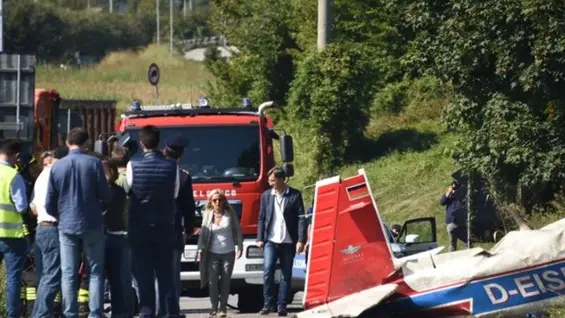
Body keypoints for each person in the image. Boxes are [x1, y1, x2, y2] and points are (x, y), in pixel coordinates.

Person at [45, 128, 111, 317]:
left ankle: (70, 313)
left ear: (67, 142)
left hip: (66, 224)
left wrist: (60, 215)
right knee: (95, 272)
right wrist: (99, 210)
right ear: (87, 143)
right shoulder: (94, 163)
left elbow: (49, 201)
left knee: (68, 273)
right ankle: (95, 313)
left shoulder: (57, 166)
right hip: (92, 223)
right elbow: (105, 195)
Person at [126, 125, 181, 318]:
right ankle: (166, 312)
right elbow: (174, 194)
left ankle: (146, 310)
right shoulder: (172, 166)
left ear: (142, 143)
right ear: (159, 142)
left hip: (140, 228)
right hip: (165, 228)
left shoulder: (133, 164)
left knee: (143, 274)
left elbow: (129, 192)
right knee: (165, 274)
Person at [257, 167, 307, 316]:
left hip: (288, 241)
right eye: (269, 180)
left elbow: (301, 219)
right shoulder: (266, 196)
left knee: (286, 274)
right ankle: (268, 304)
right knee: (268, 270)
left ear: (281, 180)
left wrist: (301, 240)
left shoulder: (294, 195)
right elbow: (261, 218)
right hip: (271, 241)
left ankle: (281, 306)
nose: (270, 183)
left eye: (272, 180)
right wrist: (260, 238)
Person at [31, 145, 68, 318]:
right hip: (52, 228)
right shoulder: (55, 175)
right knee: (52, 276)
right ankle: (40, 315)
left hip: (42, 228)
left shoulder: (42, 176)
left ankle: (41, 313)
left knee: (47, 275)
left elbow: (34, 207)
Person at [160, 134, 196, 315]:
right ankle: (172, 311)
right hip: (173, 232)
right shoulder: (182, 177)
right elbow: (188, 206)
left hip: (148, 231)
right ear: (180, 155)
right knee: (173, 275)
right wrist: (189, 229)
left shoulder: (152, 171)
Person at [196, 189, 243, 317]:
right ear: (210, 202)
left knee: (225, 281)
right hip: (212, 252)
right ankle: (213, 307)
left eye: (220, 200)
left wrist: (240, 246)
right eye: (215, 200)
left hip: (228, 252)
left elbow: (237, 230)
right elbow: (203, 232)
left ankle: (223, 308)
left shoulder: (230, 213)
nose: (217, 202)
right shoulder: (207, 214)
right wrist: (199, 249)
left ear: (224, 201)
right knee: (212, 281)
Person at [0, 140, 30, 318]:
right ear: (15, 156)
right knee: (13, 279)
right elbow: (21, 206)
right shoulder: (13, 175)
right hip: (12, 237)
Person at [102, 157, 134, 317]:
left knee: (101, 278)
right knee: (120, 280)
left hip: (106, 237)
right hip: (119, 236)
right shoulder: (119, 190)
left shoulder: (106, 191)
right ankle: (122, 312)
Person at [440, 179, 470, 252]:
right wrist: (448, 193)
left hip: (460, 221)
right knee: (454, 244)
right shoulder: (449, 196)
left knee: (467, 242)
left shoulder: (462, 195)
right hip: (452, 222)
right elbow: (442, 202)